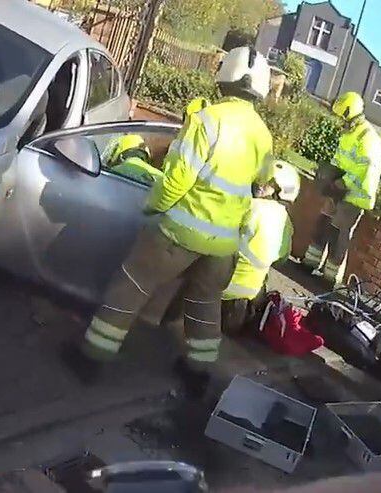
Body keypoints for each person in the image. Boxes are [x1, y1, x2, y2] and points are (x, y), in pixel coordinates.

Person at [64, 46, 274, 391]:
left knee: (130, 288)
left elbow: (177, 179)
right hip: (223, 246)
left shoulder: (208, 120)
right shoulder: (263, 135)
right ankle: (197, 375)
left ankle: (91, 358)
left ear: (226, 76)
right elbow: (260, 183)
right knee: (204, 305)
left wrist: (152, 206)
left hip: (180, 235)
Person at [303, 92, 381, 286]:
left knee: (339, 235)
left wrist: (343, 182)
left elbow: (365, 169)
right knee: (323, 224)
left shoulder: (368, 137)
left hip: (354, 196)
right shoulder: (350, 134)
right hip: (338, 190)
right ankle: (309, 264)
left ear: (350, 113)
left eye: (343, 118)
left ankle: (330, 278)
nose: (341, 122)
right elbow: (339, 161)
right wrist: (329, 177)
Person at [221, 161, 300, 336]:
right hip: (245, 307)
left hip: (215, 292)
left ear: (280, 190)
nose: (261, 185)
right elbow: (282, 258)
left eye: (268, 183)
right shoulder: (286, 222)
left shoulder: (247, 205)